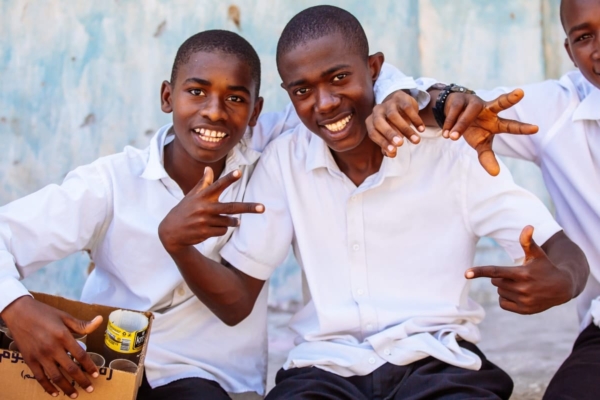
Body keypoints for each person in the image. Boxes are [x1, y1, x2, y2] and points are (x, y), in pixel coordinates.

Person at [0, 28, 457, 399]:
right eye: (196, 92)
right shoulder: (112, 182)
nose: (214, 113)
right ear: (167, 96)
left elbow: (364, 86)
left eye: (236, 99)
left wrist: (409, 95)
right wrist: (16, 308)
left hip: (206, 379)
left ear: (257, 111)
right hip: (100, 367)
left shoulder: (272, 149)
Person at [165, 6, 589, 399]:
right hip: (324, 368)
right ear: (287, 95)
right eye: (303, 90)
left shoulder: (450, 152)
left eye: (338, 78)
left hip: (439, 361)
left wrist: (564, 281)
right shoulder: (284, 162)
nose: (325, 103)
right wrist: (178, 245)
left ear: (375, 69)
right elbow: (238, 299)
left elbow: (559, 250)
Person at [369, 0, 600, 397]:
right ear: (569, 51)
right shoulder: (561, 109)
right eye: (584, 36)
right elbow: (460, 107)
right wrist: (424, 101)